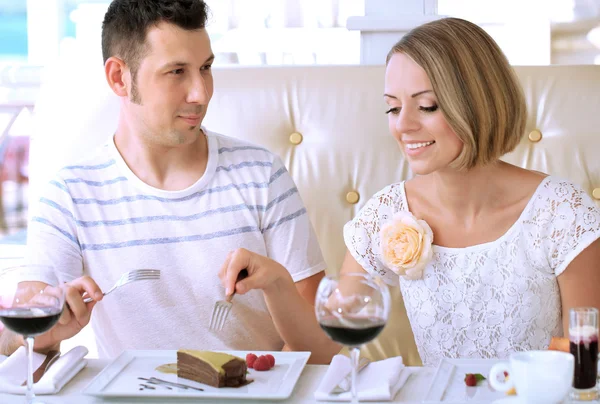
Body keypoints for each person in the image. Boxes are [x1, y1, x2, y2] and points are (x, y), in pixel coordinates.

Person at [218, 17, 600, 366]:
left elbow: (588, 367)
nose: (403, 126)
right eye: (393, 109)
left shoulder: (562, 213)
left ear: (478, 104)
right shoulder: (387, 213)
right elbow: (323, 347)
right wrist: (277, 283)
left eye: (427, 106)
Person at [0, 0, 326, 358]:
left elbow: (321, 352)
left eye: (205, 68)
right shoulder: (71, 195)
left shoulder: (262, 176)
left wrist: (277, 283)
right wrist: (46, 332)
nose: (200, 93)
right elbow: (13, 340)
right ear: (119, 77)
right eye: (176, 72)